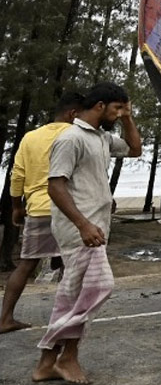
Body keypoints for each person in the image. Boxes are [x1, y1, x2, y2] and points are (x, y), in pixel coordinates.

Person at [35, 82, 141, 385]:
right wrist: (82, 224)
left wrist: (128, 118)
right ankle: (67, 356)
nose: (121, 113)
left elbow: (134, 150)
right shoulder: (71, 139)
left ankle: (45, 363)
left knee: (72, 294)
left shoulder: (101, 138)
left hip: (94, 228)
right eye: (117, 108)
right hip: (80, 229)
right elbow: (55, 186)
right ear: (99, 107)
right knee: (99, 286)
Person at [1, 92, 83, 335]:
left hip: (37, 209)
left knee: (26, 265)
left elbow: (17, 175)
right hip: (69, 209)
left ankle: (4, 318)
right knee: (71, 266)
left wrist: (17, 207)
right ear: (73, 114)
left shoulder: (30, 138)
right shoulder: (75, 135)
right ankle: (66, 321)